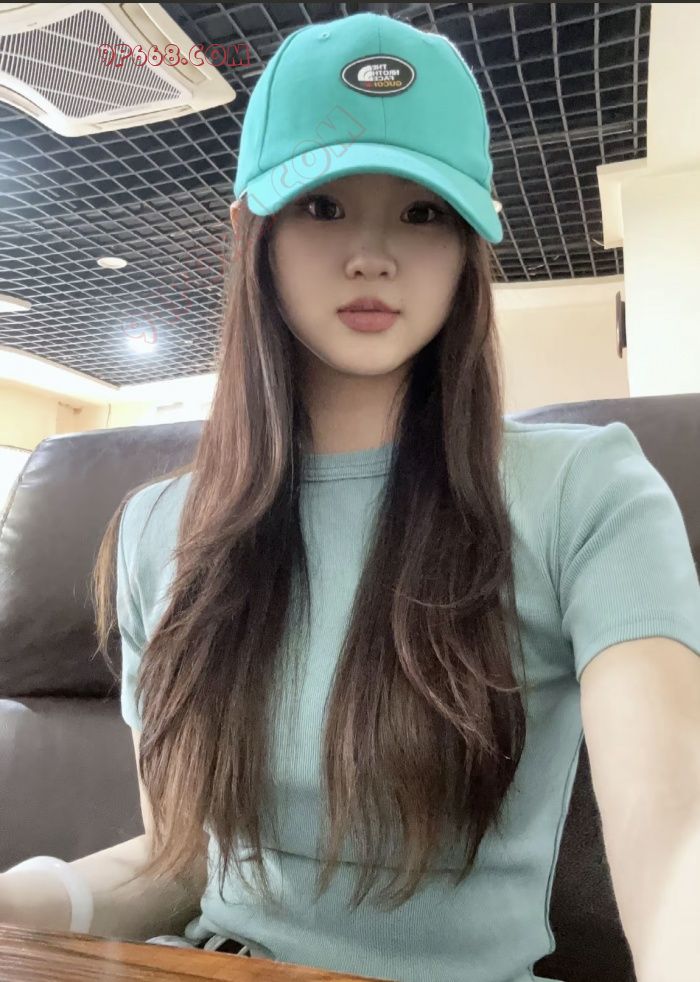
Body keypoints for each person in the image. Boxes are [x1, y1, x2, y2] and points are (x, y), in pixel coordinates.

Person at [2, 11, 700, 982]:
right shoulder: (160, 529)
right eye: (323, 205)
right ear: (251, 233)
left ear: (469, 245)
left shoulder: (585, 492)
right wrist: (23, 900)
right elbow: (178, 861)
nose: (372, 253)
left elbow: (675, 842)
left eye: (424, 212)